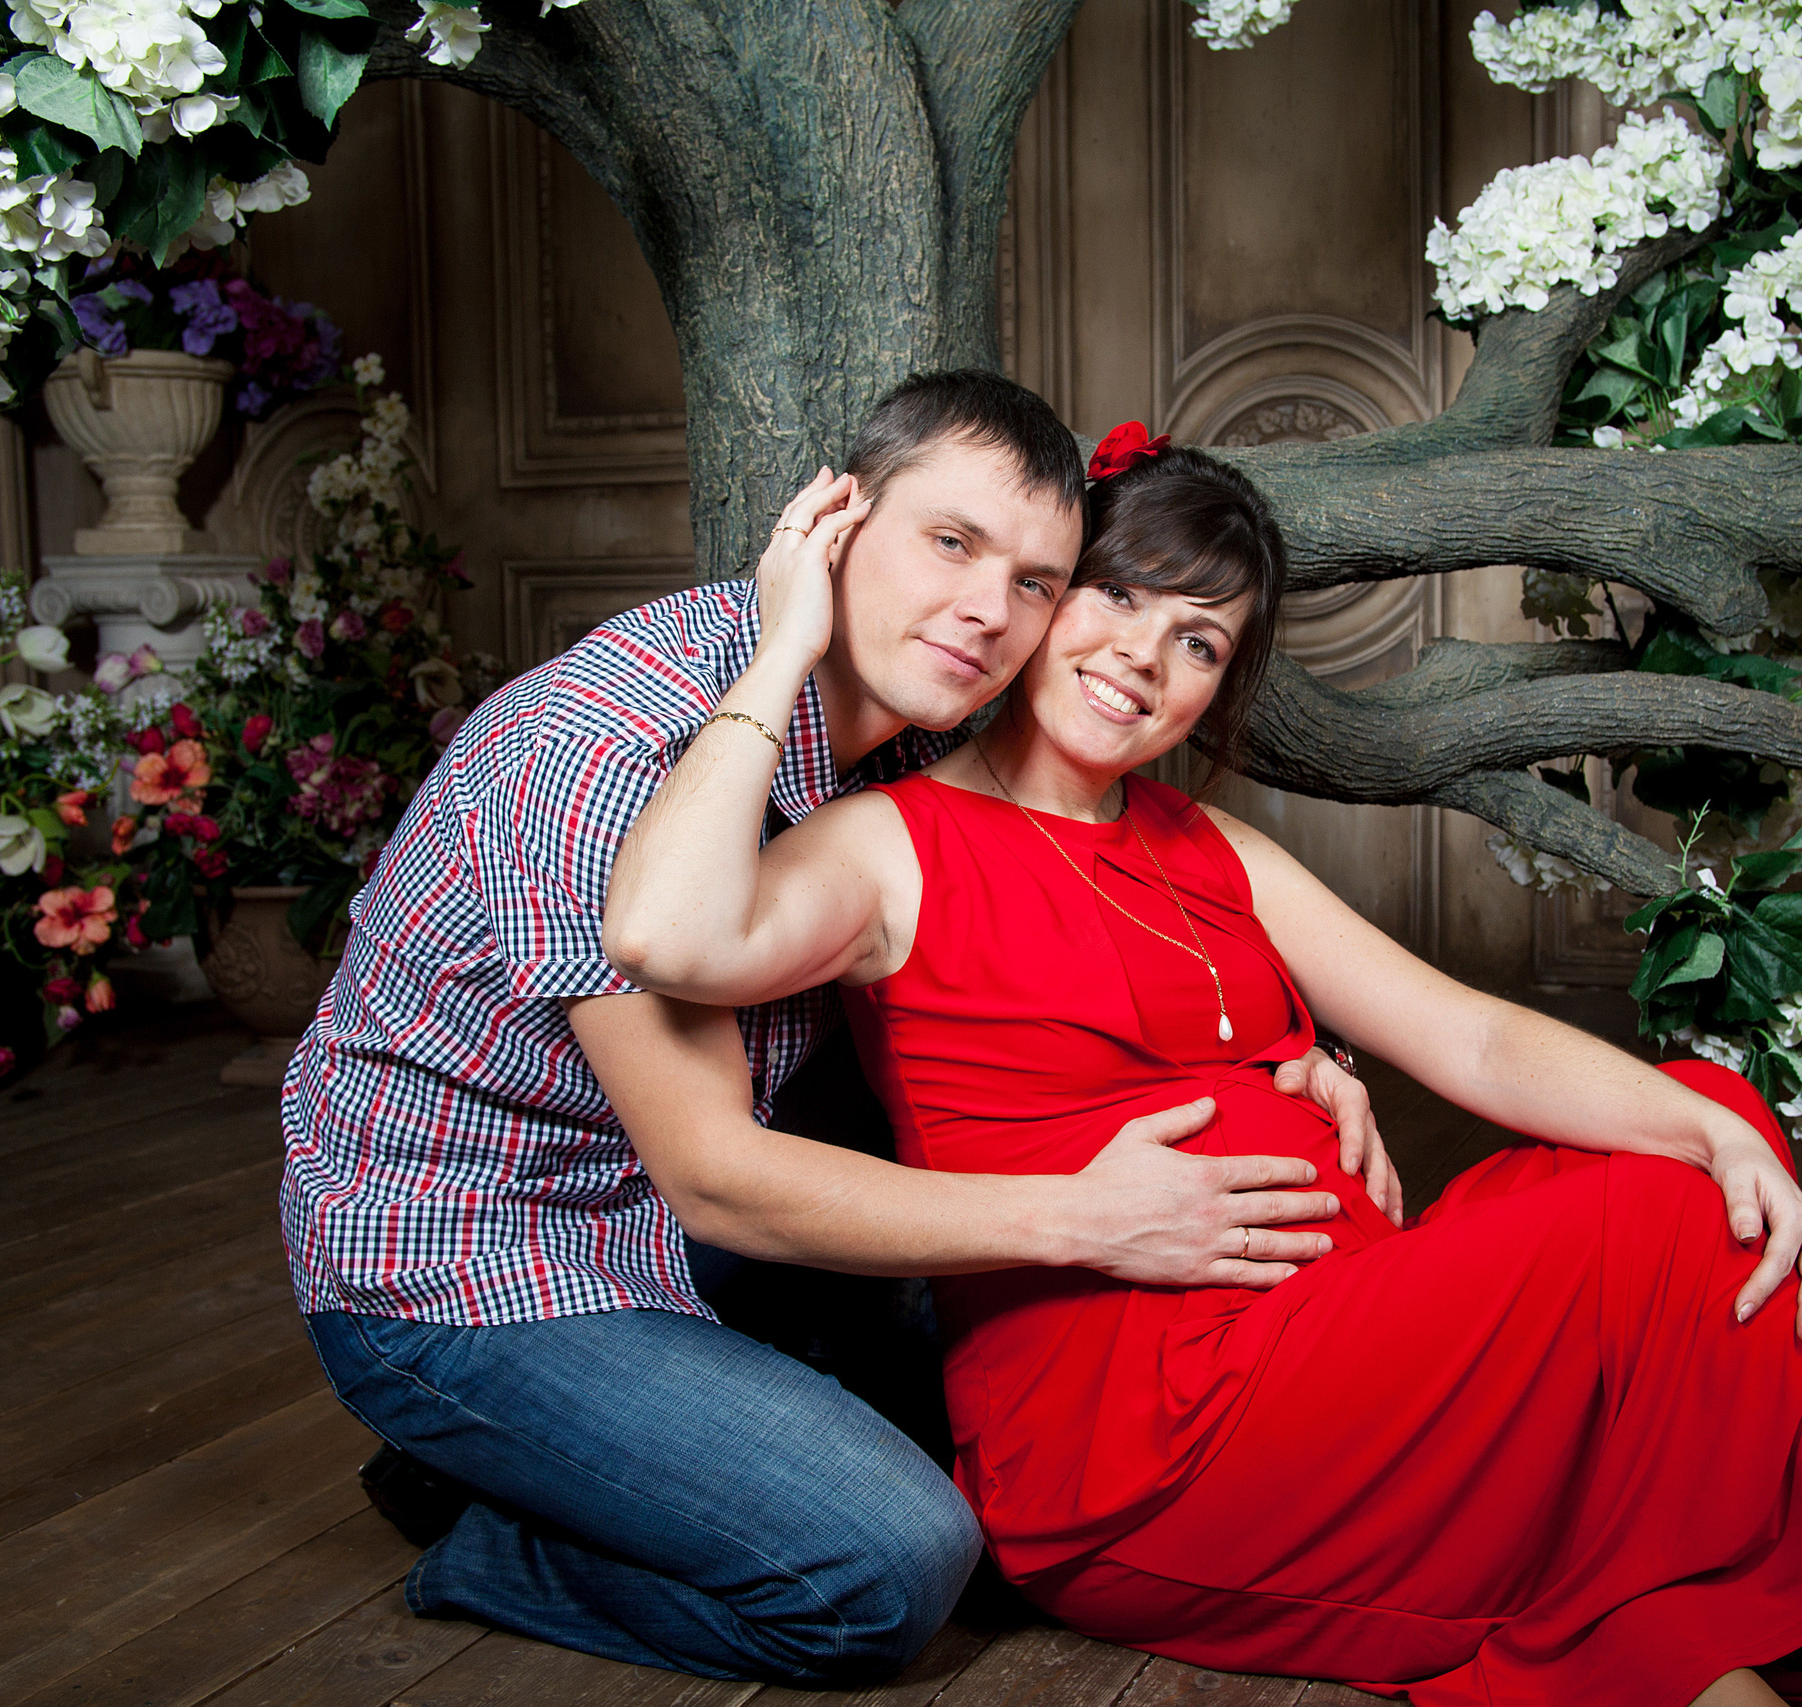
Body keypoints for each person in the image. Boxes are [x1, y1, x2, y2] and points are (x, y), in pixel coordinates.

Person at [604, 429, 1802, 1707]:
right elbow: (673, 941)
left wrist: (1700, 1123)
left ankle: (1791, 1625)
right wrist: (777, 646)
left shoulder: (1211, 850)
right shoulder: (895, 845)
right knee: (1644, 1238)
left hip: (1323, 1336)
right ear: (1049, 605)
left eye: (1200, 643)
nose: (1144, 656)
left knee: (1706, 1138)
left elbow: (1455, 1029)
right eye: (1117, 601)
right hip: (1137, 1426)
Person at [279, 371, 1386, 1683]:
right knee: (893, 1562)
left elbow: (1056, 959)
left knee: (1029, 1479)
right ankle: (485, 1528)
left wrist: (1279, 1055)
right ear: (838, 522)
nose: (986, 609)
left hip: (717, 1247)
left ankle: (621, 1449)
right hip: (483, 1262)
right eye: (951, 543)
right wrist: (1087, 1217)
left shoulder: (928, 727)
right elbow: (716, 1179)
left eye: (1036, 580)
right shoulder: (603, 748)